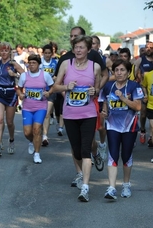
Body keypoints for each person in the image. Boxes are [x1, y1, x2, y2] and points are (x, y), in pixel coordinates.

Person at [54, 26, 108, 188]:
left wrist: (96, 90)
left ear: (87, 46)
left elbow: (102, 78)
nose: (76, 46)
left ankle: (93, 156)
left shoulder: (95, 60)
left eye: (78, 41)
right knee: (76, 147)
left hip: (88, 110)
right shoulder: (65, 61)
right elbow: (57, 83)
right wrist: (66, 92)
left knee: (88, 144)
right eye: (73, 40)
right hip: (71, 110)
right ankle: (80, 173)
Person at [98, 59, 143, 200]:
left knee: (126, 155)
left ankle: (126, 184)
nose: (119, 73)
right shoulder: (108, 86)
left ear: (128, 72)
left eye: (122, 70)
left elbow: (138, 107)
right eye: (116, 70)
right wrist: (104, 112)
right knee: (113, 154)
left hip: (130, 126)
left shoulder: (134, 86)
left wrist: (123, 98)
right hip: (112, 125)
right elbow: (104, 102)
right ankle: (111, 188)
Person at [17, 54, 54, 163]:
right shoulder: (24, 76)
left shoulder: (45, 75)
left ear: (38, 64)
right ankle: (31, 141)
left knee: (37, 129)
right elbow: (19, 89)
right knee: (27, 133)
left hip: (41, 107)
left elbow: (53, 87)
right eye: (30, 63)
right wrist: (20, 94)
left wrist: (48, 92)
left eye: (34, 63)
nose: (31, 65)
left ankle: (37, 154)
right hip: (27, 107)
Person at [0, 42, 24, 157]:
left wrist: (14, 75)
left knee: (9, 122)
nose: (4, 52)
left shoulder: (13, 64)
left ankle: (11, 139)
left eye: (6, 50)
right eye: (2, 50)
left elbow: (25, 75)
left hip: (11, 93)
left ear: (9, 52)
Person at [134, 41, 153, 145]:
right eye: (147, 47)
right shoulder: (141, 60)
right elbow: (133, 71)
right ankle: (142, 130)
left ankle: (151, 136)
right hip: (143, 89)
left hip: (152, 92)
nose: (148, 49)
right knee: (144, 113)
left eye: (151, 47)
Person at [39, 44, 58, 147]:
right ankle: (40, 132)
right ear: (43, 53)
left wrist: (56, 78)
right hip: (39, 91)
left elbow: (60, 74)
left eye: (49, 53)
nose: (47, 55)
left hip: (51, 90)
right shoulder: (39, 62)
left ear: (52, 53)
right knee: (41, 114)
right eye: (45, 53)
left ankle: (45, 136)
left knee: (47, 113)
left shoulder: (56, 63)